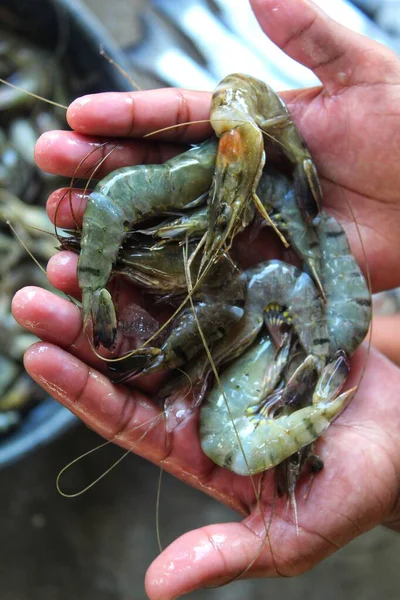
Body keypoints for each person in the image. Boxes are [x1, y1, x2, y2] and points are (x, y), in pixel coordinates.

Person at [11, 0, 400, 598]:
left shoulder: (281, 281)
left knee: (290, 318)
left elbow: (256, 291)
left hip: (286, 284)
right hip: (277, 281)